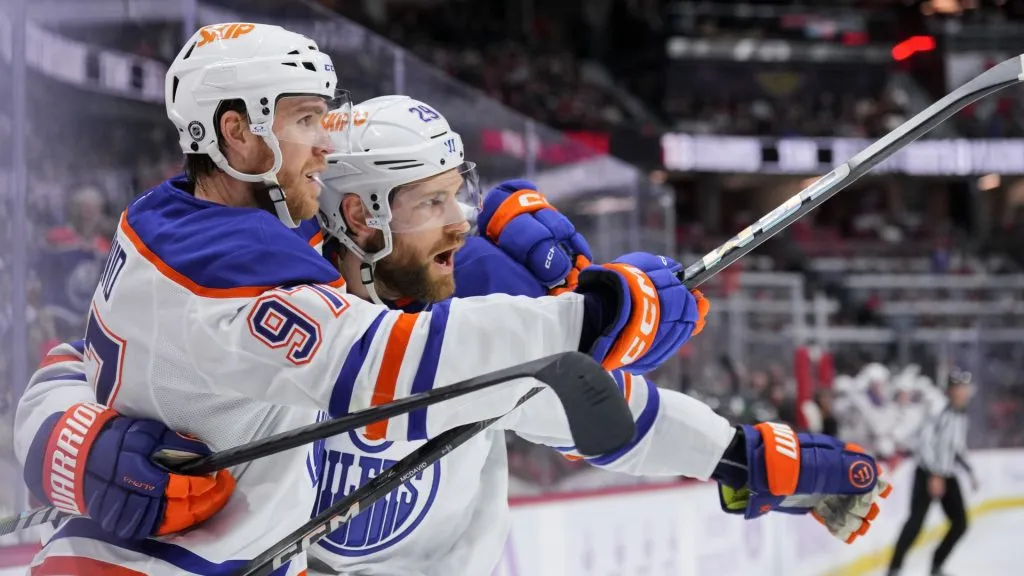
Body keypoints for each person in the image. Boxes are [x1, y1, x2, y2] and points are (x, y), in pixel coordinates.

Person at [17, 92, 892, 575]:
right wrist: (69, 444)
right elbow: (89, 356)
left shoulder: (469, 310)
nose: (460, 225)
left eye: (459, 197)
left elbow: (606, 412)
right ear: (359, 214)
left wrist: (752, 462)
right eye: (431, 203)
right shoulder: (267, 285)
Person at [887, 369, 978, 576]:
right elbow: (925, 442)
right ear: (952, 390)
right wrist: (934, 474)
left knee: (960, 523)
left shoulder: (961, 414)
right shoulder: (939, 410)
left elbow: (956, 446)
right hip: (927, 472)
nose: (964, 393)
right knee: (916, 523)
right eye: (960, 388)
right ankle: (894, 568)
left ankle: (937, 565)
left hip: (946, 473)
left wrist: (970, 471)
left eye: (965, 388)